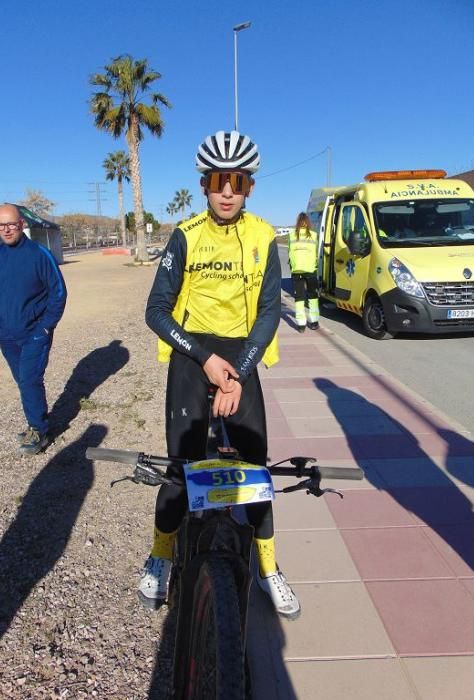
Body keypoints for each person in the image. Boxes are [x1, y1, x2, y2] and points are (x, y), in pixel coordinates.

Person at [142, 130, 300, 620]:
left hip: (243, 353)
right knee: (179, 465)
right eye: (217, 181)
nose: (227, 191)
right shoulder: (185, 235)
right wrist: (207, 361)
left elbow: (271, 311)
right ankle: (162, 554)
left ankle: (268, 566)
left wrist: (236, 375)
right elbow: (156, 311)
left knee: (256, 467)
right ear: (204, 186)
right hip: (194, 351)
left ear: (249, 187)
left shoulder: (261, 234)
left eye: (237, 182)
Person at [0, 203, 67, 455]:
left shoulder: (39, 254)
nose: (7, 230)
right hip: (7, 336)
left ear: (22, 224)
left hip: (34, 333)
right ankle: (36, 421)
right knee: (23, 380)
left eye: (11, 224)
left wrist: (44, 328)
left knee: (30, 379)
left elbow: (59, 293)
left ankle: (39, 431)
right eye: (1, 225)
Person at [288, 212, 319, 332]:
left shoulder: (291, 236)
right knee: (313, 297)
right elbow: (317, 252)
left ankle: (301, 325)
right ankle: (314, 322)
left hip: (297, 271)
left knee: (299, 298)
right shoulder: (314, 235)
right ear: (307, 222)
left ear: (298, 222)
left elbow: (290, 252)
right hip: (311, 270)